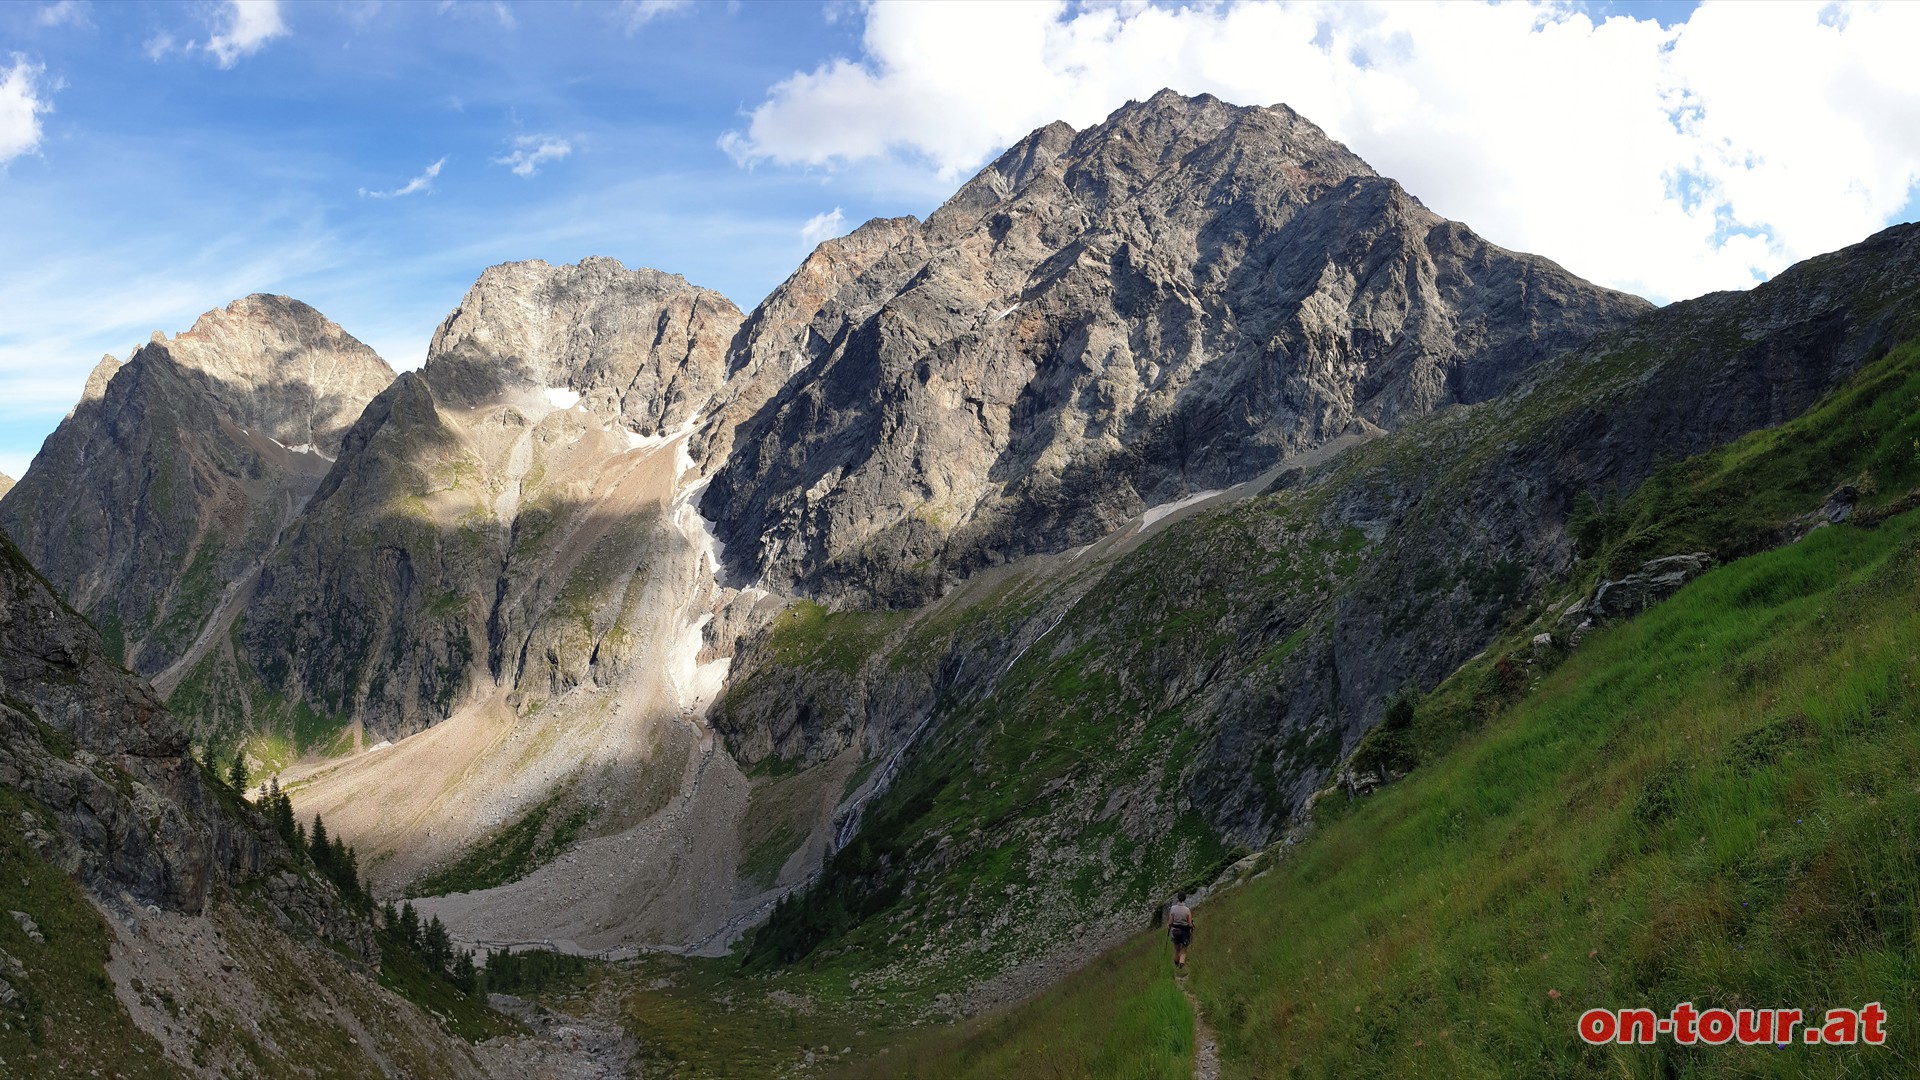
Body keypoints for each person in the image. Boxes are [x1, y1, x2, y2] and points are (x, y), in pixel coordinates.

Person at [1168, 892, 1194, 971]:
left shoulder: (1173, 908)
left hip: (1175, 930)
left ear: (1178, 898)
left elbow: (1170, 922)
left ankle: (1176, 963)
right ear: (1185, 899)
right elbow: (1189, 923)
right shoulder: (1187, 910)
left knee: (1176, 948)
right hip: (1184, 931)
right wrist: (1192, 925)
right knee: (1184, 948)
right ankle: (1181, 965)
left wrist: (1169, 927)